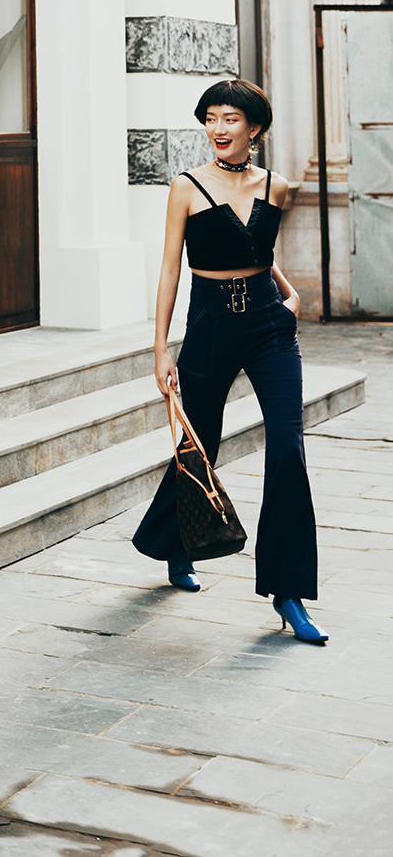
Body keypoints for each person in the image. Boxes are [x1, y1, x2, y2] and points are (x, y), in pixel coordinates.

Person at [132, 78, 326, 643]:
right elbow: (171, 268)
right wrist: (161, 347)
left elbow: (257, 251)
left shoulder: (276, 187)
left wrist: (290, 297)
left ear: (254, 128)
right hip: (210, 326)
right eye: (211, 118)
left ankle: (288, 592)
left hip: (269, 327)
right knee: (202, 446)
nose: (217, 128)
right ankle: (176, 542)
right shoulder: (186, 187)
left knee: (287, 447)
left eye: (230, 119)